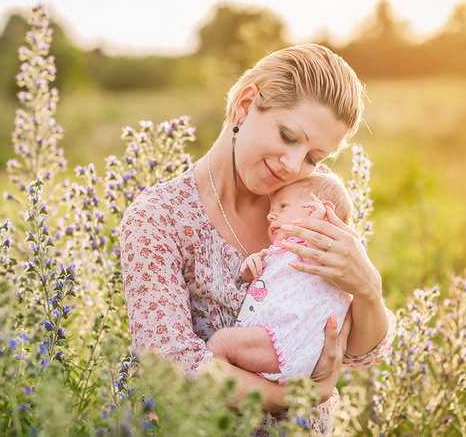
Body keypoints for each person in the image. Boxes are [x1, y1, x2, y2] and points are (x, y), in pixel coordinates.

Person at [119, 44, 396, 434]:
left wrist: (368, 288)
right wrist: (298, 397)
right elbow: (168, 362)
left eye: (314, 157)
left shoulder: (306, 206)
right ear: (245, 104)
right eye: (288, 136)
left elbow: (361, 350)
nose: (293, 165)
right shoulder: (158, 218)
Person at [207, 172, 361, 385]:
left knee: (220, 343)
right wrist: (252, 271)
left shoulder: (319, 249)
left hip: (288, 341)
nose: (270, 215)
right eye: (271, 210)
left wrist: (318, 220)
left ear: (318, 211)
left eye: (283, 207)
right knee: (231, 366)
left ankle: (199, 396)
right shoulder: (280, 253)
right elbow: (270, 284)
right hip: (275, 342)